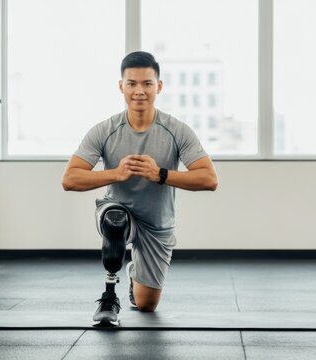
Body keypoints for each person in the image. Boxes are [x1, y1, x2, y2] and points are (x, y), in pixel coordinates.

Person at [62, 51, 218, 326]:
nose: (139, 91)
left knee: (147, 305)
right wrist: (116, 174)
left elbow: (208, 179)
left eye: (147, 83)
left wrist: (159, 174)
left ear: (158, 86)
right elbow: (70, 179)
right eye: (132, 83)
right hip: (118, 211)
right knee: (115, 221)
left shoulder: (177, 130)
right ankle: (109, 296)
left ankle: (136, 275)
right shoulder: (105, 130)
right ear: (121, 86)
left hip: (157, 224)